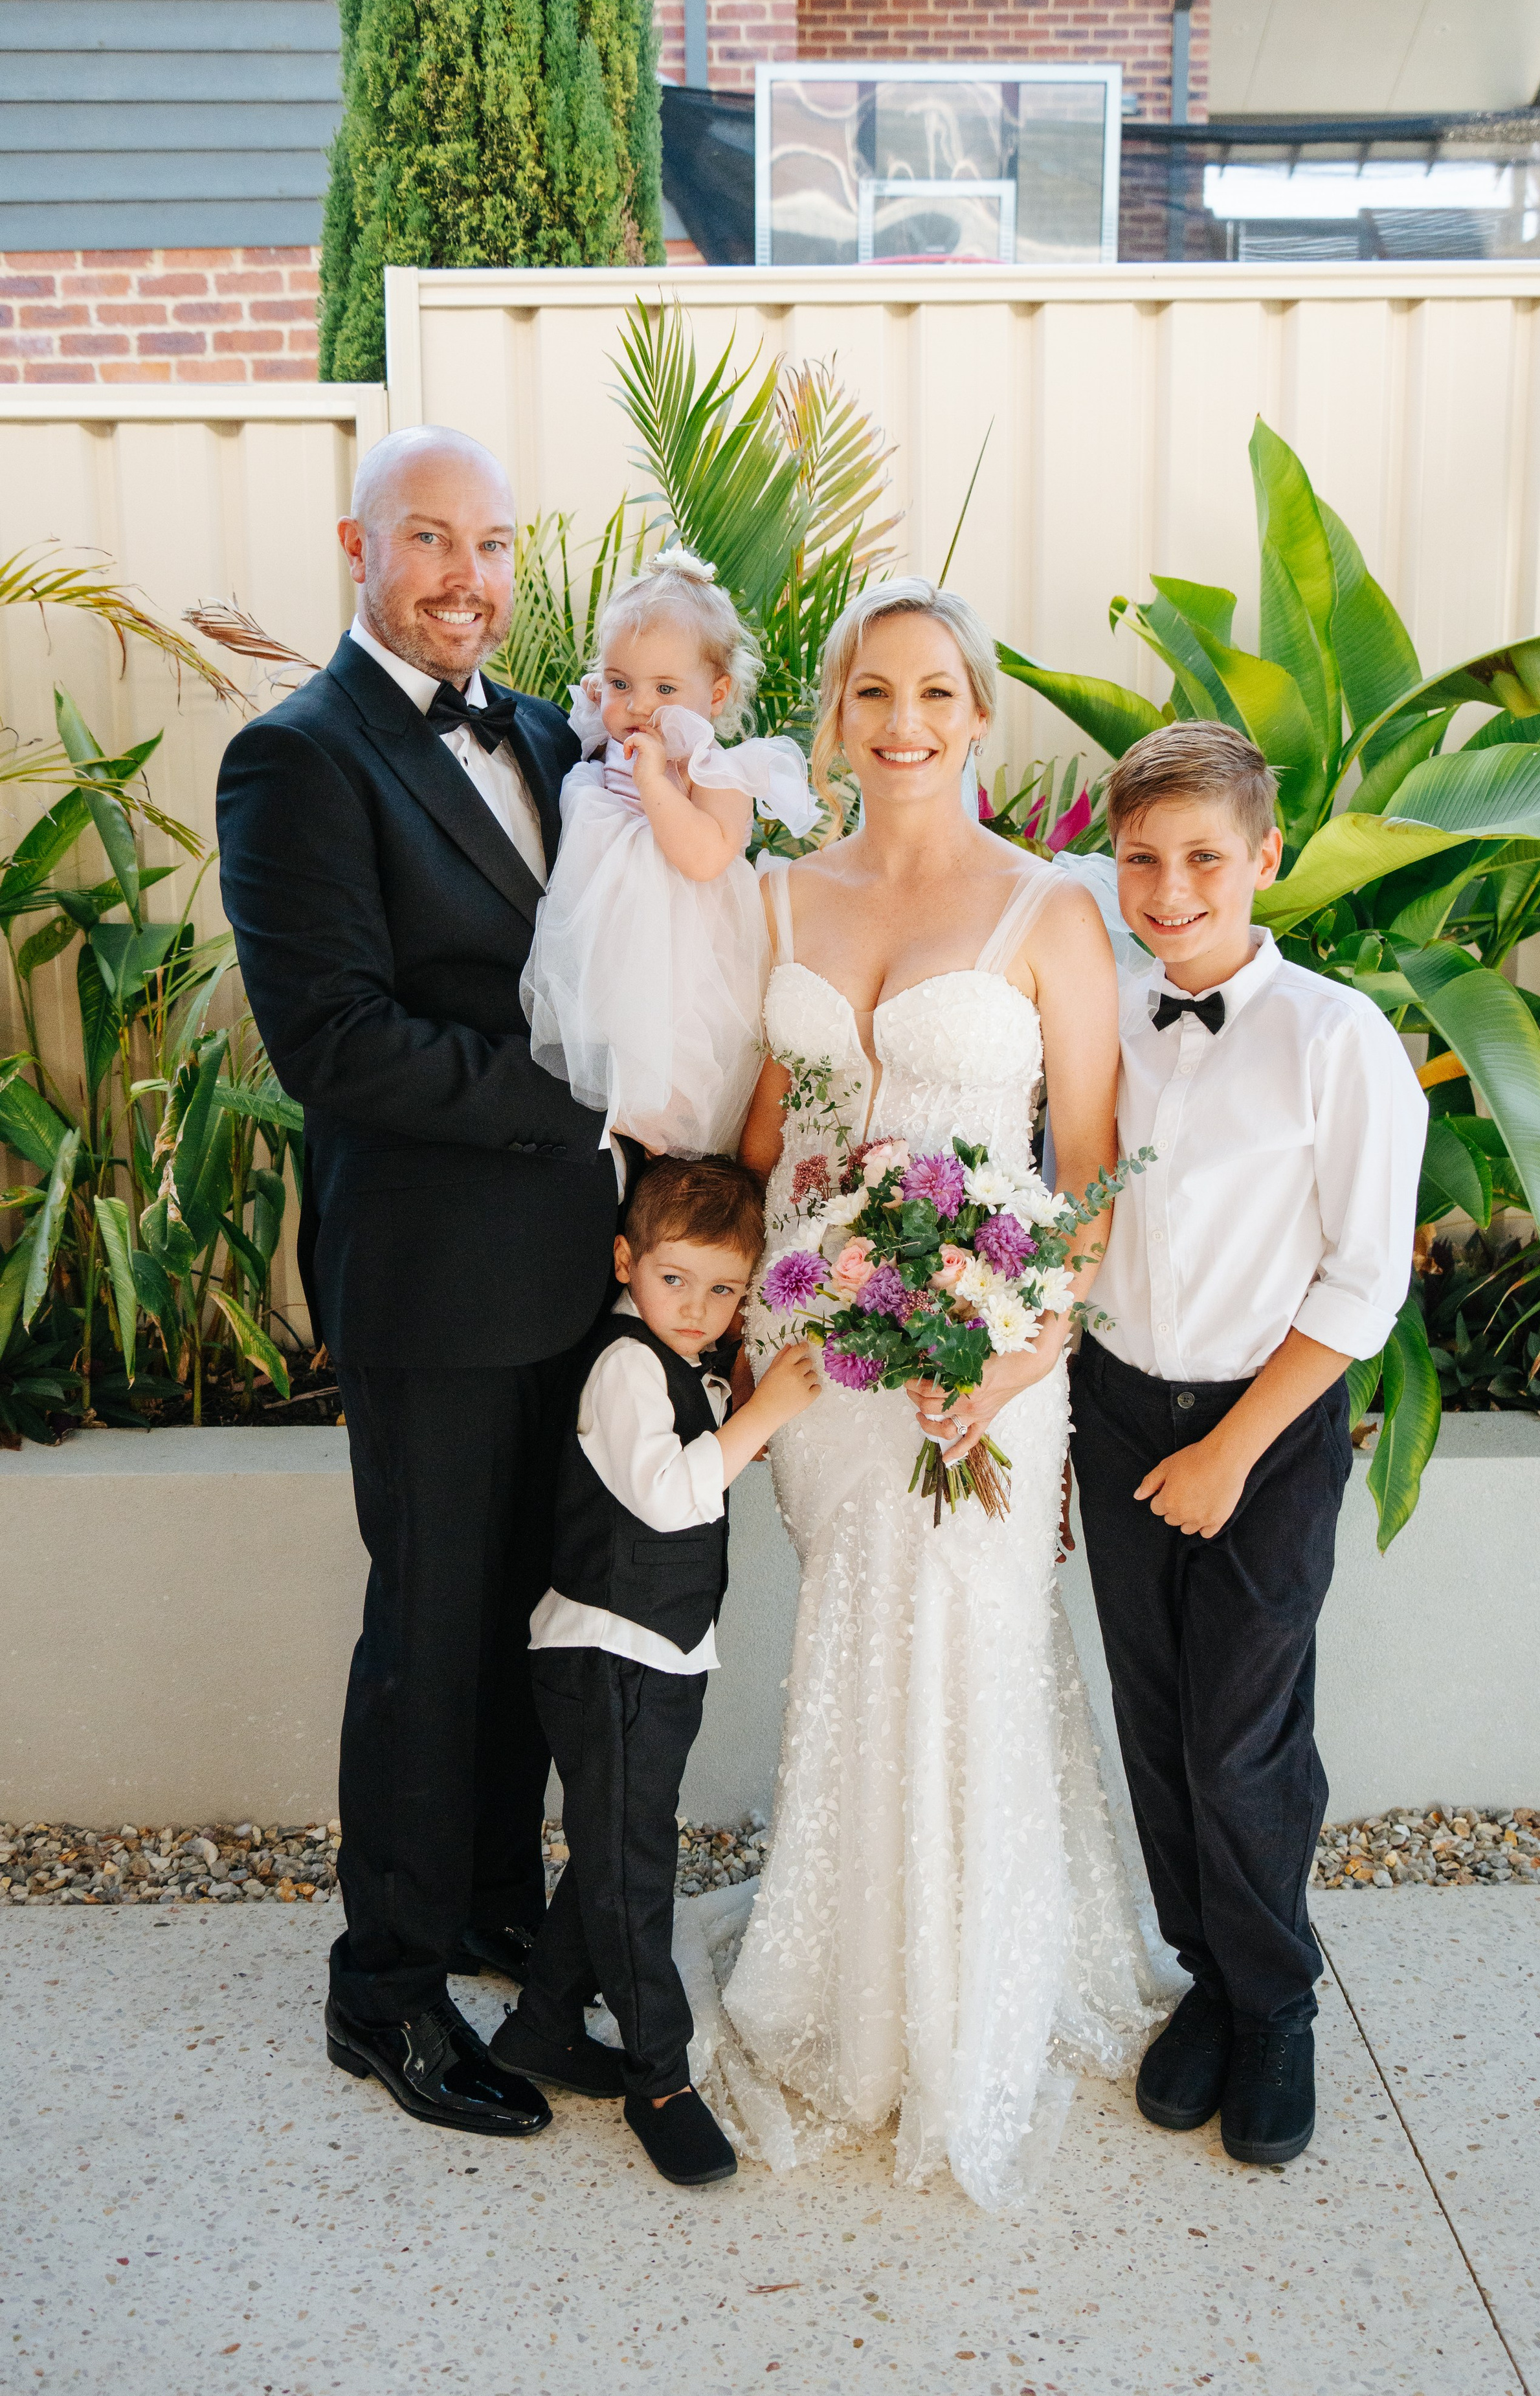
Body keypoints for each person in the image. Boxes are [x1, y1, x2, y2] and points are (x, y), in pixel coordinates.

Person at [719, 579, 1162, 2212]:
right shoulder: (774, 898)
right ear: (835, 714)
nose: (903, 723)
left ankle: (967, 1995)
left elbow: (1095, 1164)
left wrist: (1026, 1339)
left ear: (977, 714)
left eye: (934, 693)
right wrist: (749, 1273)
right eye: (871, 693)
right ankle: (839, 1973)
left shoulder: (1047, 908)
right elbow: (766, 1135)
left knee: (967, 1643)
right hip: (820, 1350)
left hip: (995, 1355)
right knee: (852, 1628)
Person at [217, 425, 624, 2139]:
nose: (468, 579)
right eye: (431, 542)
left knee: (526, 1615)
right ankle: (380, 1988)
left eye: (495, 546)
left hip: (570, 1273)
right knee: (428, 1629)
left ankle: (484, 1905)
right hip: (432, 1280)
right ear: (358, 549)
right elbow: (340, 1044)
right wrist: (589, 1108)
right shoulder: (297, 758)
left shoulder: (549, 734)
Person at [1067, 721, 1427, 2168]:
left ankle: (1278, 2002)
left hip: (1260, 1425)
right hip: (1112, 1408)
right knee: (1154, 1721)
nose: (1169, 887)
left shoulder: (1336, 1039)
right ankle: (1205, 1982)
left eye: (1204, 857)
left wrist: (1230, 1449)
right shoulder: (1094, 1013)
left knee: (1240, 1733)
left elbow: (1361, 1281)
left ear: (1264, 857)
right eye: (1141, 858)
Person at [488, 1158, 819, 2186]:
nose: (699, 1308)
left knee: (614, 1851)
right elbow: (670, 1497)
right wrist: (758, 1422)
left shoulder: (677, 1363)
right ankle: (660, 2079)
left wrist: (739, 1406)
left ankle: (542, 2029)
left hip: (656, 1653)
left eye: (725, 1289)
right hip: (608, 1654)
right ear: (626, 1261)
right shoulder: (624, 1365)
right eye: (676, 1279)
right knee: (635, 1872)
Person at [520, 548, 818, 1158]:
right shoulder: (611, 735)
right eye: (621, 684)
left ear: (717, 693)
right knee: (596, 1072)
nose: (639, 706)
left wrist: (657, 781)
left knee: (668, 1081)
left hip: (679, 960)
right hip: (602, 948)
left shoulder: (714, 769)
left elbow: (706, 856)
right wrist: (599, 703)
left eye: (665, 688)